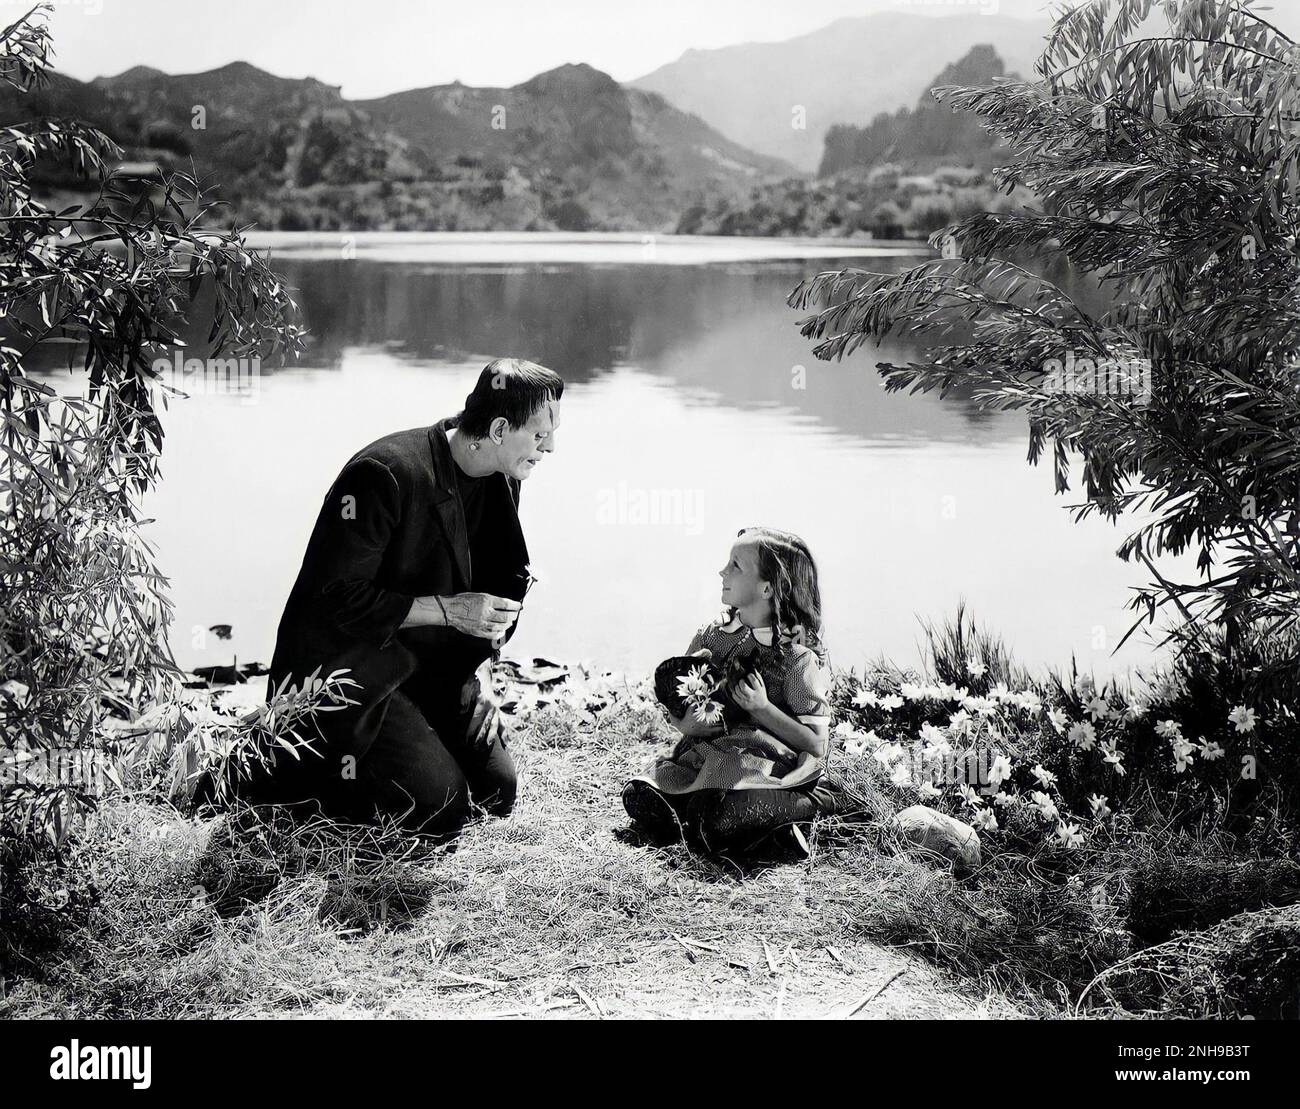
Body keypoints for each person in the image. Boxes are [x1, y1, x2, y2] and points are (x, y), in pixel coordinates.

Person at [249, 358, 562, 836]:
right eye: (540, 436)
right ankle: (291, 773)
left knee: (498, 790)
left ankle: (416, 739)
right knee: (443, 807)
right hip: (351, 671)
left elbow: (485, 584)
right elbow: (336, 599)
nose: (551, 448)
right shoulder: (383, 474)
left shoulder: (504, 476)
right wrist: (449, 612)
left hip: (432, 669)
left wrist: (482, 675)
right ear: (499, 428)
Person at [623, 527, 838, 858]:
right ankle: (752, 830)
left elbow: (815, 745)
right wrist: (684, 718)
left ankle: (816, 804)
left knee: (719, 818)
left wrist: (763, 708)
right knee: (640, 794)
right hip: (708, 758)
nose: (722, 571)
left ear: (767, 588)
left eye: (736, 565)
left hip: (761, 769)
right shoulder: (713, 635)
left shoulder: (797, 658)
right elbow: (685, 704)